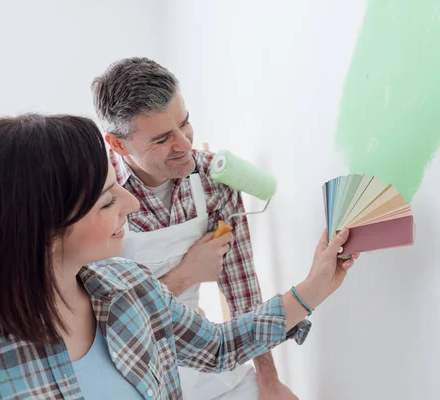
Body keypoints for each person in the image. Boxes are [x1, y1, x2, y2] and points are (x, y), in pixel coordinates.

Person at [0, 114, 358, 400]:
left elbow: (219, 347)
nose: (132, 204)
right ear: (42, 230)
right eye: (107, 202)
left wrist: (313, 288)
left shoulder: (128, 287)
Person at [90, 57, 298, 399]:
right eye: (161, 139)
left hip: (198, 352)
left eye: (184, 124)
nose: (185, 145)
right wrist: (186, 274)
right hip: (124, 366)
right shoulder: (96, 200)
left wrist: (269, 380)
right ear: (117, 144)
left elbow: (242, 289)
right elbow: (101, 319)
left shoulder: (214, 183)